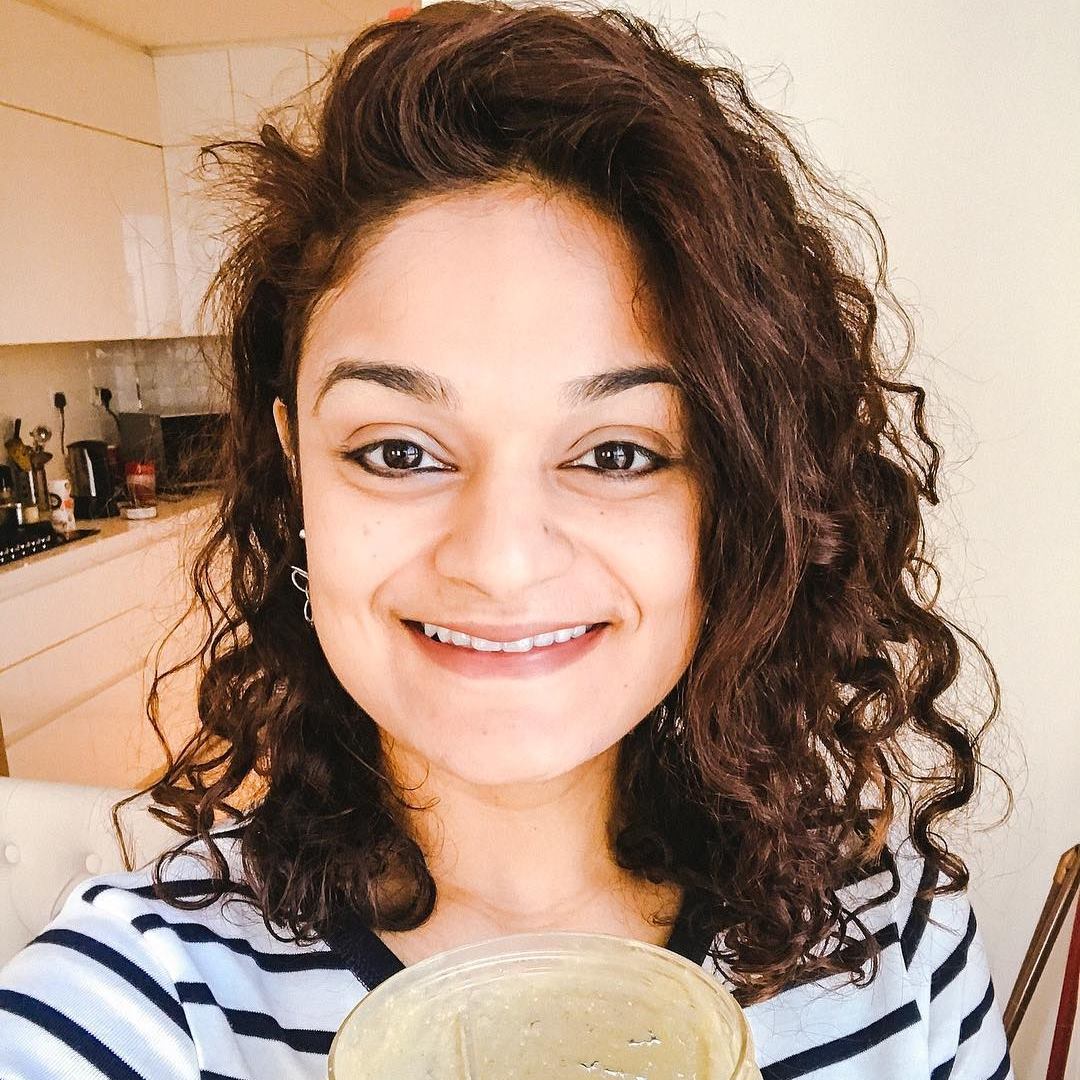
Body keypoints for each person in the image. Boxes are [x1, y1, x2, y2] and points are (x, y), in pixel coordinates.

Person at [0, 2, 1015, 1077]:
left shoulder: (896, 949)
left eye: (617, 452)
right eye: (398, 451)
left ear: (737, 500)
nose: (500, 560)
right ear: (297, 470)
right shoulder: (141, 998)